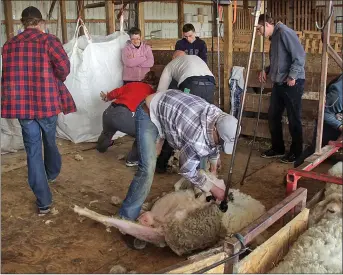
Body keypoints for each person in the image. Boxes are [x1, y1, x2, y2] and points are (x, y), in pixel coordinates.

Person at [119, 90, 238, 249]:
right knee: (148, 168)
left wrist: (214, 166)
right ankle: (126, 222)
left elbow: (215, 144)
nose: (222, 145)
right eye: (222, 141)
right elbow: (187, 170)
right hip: (149, 113)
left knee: (200, 165)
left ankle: (189, 202)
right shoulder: (197, 137)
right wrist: (213, 187)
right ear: (215, 130)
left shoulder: (221, 117)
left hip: (169, 112)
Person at [1, 6, 76, 214]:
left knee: (32, 150)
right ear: (40, 22)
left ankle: (43, 202)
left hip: (22, 106)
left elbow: (6, 76)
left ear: (22, 23)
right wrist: (53, 79)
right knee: (49, 140)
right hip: (46, 102)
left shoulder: (9, 45)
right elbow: (64, 68)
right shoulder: (48, 41)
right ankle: (51, 172)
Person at [155, 51, 216, 173]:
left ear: (173, 58)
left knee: (176, 121)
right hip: (210, 85)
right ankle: (203, 166)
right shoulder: (196, 58)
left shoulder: (171, 65)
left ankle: (162, 163)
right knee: (205, 123)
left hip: (191, 84)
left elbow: (160, 93)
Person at [257, 14, 306, 164]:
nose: (259, 33)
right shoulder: (275, 37)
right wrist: (266, 70)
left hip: (292, 83)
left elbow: (299, 56)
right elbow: (279, 61)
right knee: (273, 115)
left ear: (267, 24)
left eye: (259, 29)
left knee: (293, 117)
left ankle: (297, 152)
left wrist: (292, 76)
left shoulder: (285, 32)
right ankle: (278, 148)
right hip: (279, 83)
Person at [96, 72, 158, 167]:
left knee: (107, 132)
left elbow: (116, 92)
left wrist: (107, 97)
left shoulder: (132, 84)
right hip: (122, 115)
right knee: (143, 134)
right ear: (154, 85)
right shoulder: (151, 92)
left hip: (108, 111)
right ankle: (132, 159)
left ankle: (101, 148)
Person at [294, 74, 343, 167]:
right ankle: (297, 168)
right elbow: (324, 113)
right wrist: (340, 127)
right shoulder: (338, 96)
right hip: (329, 119)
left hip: (339, 114)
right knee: (318, 147)